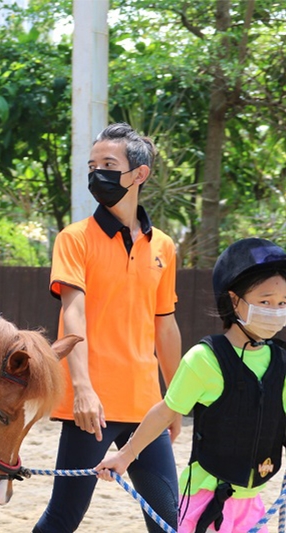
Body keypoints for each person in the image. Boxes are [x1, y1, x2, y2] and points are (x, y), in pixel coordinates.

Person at [33, 123, 182, 532]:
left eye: (108, 164)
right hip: (91, 406)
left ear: (139, 174)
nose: (96, 172)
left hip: (146, 405)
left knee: (168, 520)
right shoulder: (74, 238)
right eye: (92, 164)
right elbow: (73, 314)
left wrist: (177, 399)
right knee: (63, 518)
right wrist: (81, 388)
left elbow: (165, 327)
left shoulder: (164, 247)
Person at [97, 237, 286, 533]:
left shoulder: (281, 361)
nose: (276, 310)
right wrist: (125, 455)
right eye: (265, 301)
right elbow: (164, 412)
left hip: (252, 502)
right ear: (234, 300)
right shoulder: (204, 359)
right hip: (205, 498)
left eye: (283, 303)